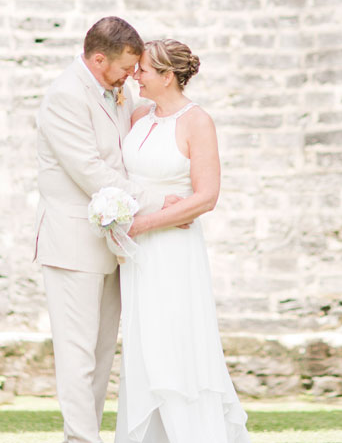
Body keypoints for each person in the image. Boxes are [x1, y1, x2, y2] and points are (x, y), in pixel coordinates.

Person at [34, 16, 175, 443]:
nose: (132, 76)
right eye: (125, 67)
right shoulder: (64, 96)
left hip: (114, 243)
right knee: (76, 358)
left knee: (100, 355)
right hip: (72, 243)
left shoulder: (121, 91)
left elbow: (123, 157)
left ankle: (86, 437)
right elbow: (90, 171)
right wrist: (156, 201)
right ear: (98, 59)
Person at [115, 39, 251, 443]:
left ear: (167, 76)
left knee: (176, 344)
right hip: (138, 257)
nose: (135, 75)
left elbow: (206, 196)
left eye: (143, 70)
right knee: (144, 347)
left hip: (173, 250)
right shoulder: (139, 115)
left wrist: (143, 224)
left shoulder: (197, 121)